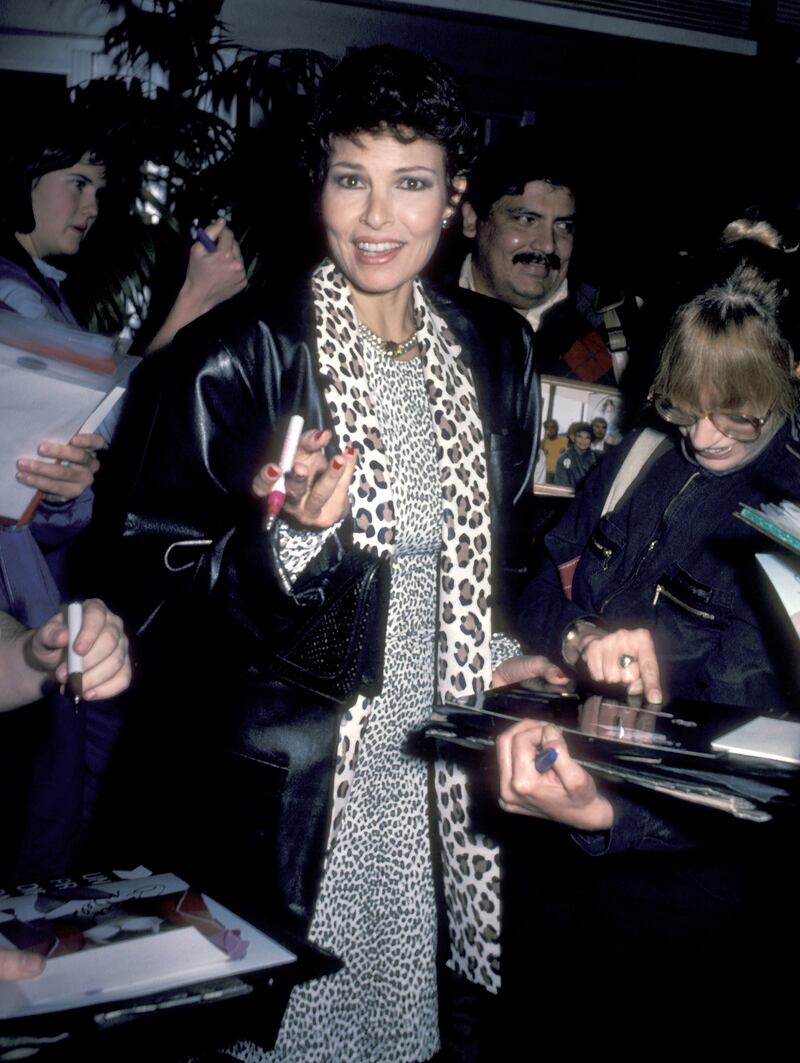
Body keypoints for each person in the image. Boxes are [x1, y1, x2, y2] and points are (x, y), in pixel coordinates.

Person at [92, 45, 540, 1062]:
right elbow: (140, 582)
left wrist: (521, 651)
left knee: (400, 1038)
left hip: (437, 779)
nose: (378, 218)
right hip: (285, 790)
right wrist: (286, 539)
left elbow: (496, 562)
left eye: (410, 182)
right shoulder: (235, 355)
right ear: (319, 187)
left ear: (456, 199)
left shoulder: (494, 350)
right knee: (281, 1038)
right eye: (352, 178)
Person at [491, 232, 800, 1041]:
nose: (702, 437)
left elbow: (760, 728)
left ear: (788, 382)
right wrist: (578, 637)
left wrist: (650, 656)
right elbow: (534, 586)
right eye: (682, 407)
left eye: (735, 414)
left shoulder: (793, 516)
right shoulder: (635, 456)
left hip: (692, 882)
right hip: (559, 845)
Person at [456, 128, 641, 396]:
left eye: (563, 226)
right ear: (473, 220)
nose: (547, 244)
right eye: (526, 220)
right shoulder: (414, 315)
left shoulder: (620, 328)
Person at [552, 420, 597, 489]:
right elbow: (561, 487)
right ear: (572, 438)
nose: (583, 441)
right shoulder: (563, 459)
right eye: (580, 437)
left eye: (587, 437)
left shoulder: (597, 457)